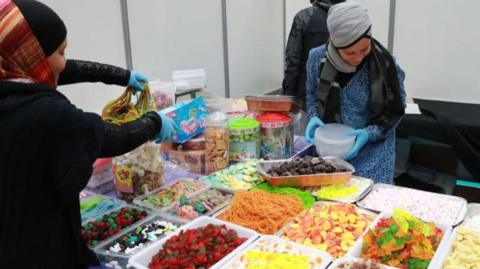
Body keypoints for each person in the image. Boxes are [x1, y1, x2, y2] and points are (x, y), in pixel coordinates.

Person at [0, 0, 174, 268]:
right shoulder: (45, 113)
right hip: (36, 249)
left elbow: (62, 68)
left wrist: (122, 76)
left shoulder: (10, 73)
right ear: (32, 57)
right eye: (61, 52)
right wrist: (153, 122)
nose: (64, 61)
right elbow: (109, 137)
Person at [304, 1, 406, 184]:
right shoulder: (317, 59)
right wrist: (312, 115)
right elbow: (311, 94)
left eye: (364, 49)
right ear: (335, 44)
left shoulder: (385, 65)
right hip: (330, 154)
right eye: (350, 53)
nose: (358, 58)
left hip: (374, 157)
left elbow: (395, 111)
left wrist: (369, 134)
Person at [282, 0, 345, 108]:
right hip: (341, 97)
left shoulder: (304, 17)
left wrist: (288, 97)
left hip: (307, 95)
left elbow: (292, 61)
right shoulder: (351, 18)